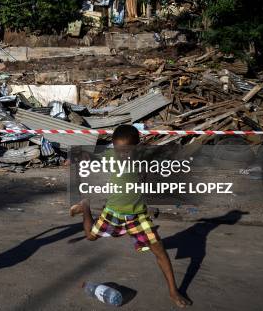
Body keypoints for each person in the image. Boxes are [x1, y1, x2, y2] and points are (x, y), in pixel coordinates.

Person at [70, 125, 192, 308]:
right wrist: (82, 155)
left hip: (137, 216)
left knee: (159, 250)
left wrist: (172, 149)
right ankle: (85, 207)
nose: (122, 155)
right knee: (90, 236)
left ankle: (173, 291)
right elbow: (94, 158)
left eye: (127, 151)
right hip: (113, 212)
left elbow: (165, 154)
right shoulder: (111, 156)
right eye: (119, 151)